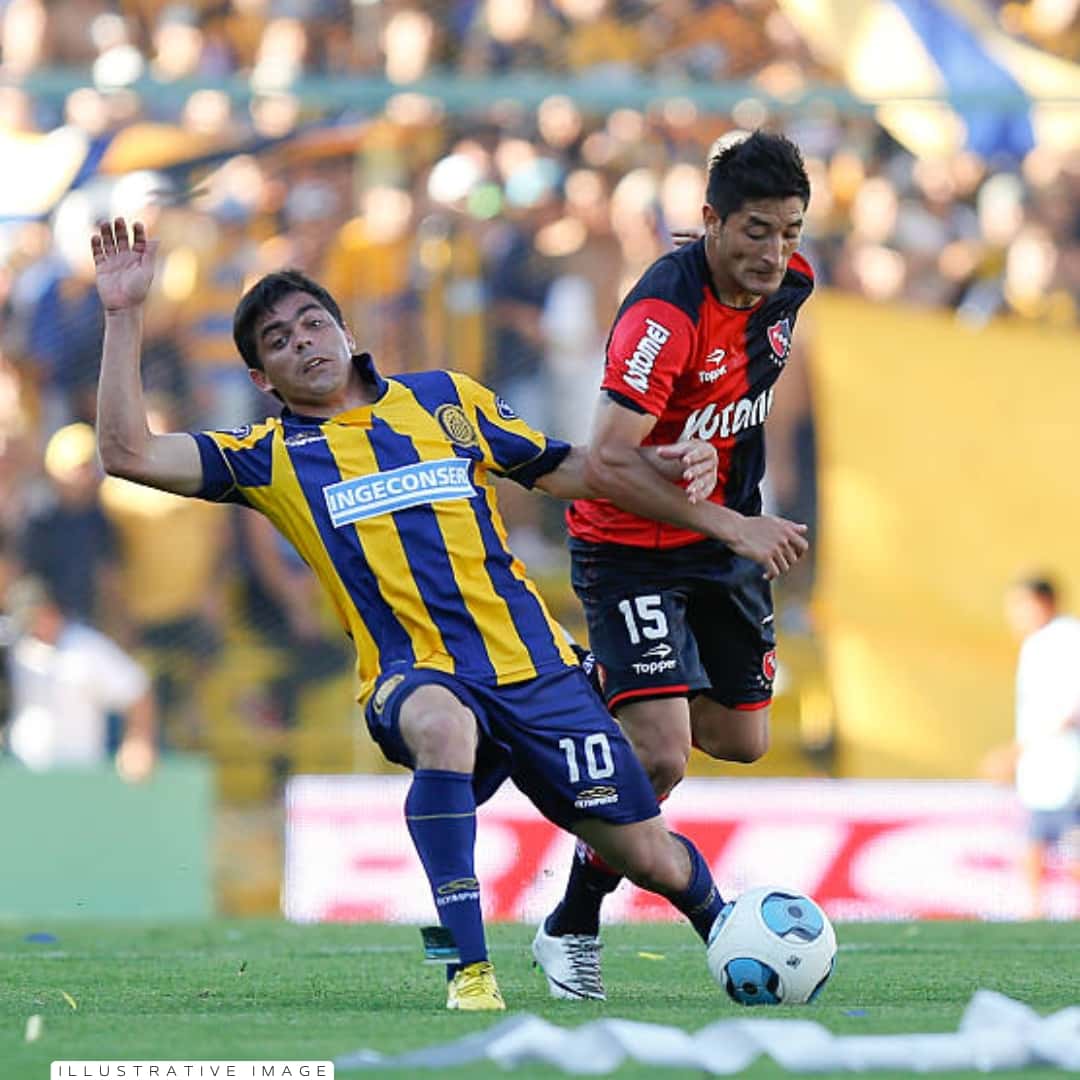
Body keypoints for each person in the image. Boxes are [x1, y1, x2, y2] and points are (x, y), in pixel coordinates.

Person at [91, 216, 778, 1012]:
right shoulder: (268, 455)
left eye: (313, 322)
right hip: (409, 676)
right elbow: (127, 453)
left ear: (345, 333)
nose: (303, 342)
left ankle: (731, 934)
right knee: (443, 723)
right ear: (264, 380)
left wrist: (656, 457)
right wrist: (123, 316)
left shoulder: (446, 401)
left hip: (537, 671)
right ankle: (469, 970)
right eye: (278, 342)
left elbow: (565, 468)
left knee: (653, 857)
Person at [535, 130, 814, 1000]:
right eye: (757, 231)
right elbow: (608, 459)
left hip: (719, 535)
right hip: (631, 547)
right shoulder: (663, 315)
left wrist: (722, 497)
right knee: (657, 758)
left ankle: (596, 684)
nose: (775, 254)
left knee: (741, 738)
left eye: (791, 232)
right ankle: (572, 923)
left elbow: (732, 402)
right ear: (709, 223)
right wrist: (732, 524)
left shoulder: (792, 289)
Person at [3, 575, 157, 783]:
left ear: (52, 611)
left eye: (36, 618)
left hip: (80, 778)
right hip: (22, 776)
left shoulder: (87, 647)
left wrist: (138, 741)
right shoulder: (16, 649)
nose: (34, 627)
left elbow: (137, 691)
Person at [988, 576, 1080, 918]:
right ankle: (1034, 913)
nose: (1014, 615)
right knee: (1034, 842)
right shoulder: (1036, 643)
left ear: (1043, 602)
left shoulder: (1067, 637)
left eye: (1020, 605)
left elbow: (1071, 705)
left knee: (1071, 847)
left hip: (1067, 765)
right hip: (1042, 768)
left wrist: (1016, 751)